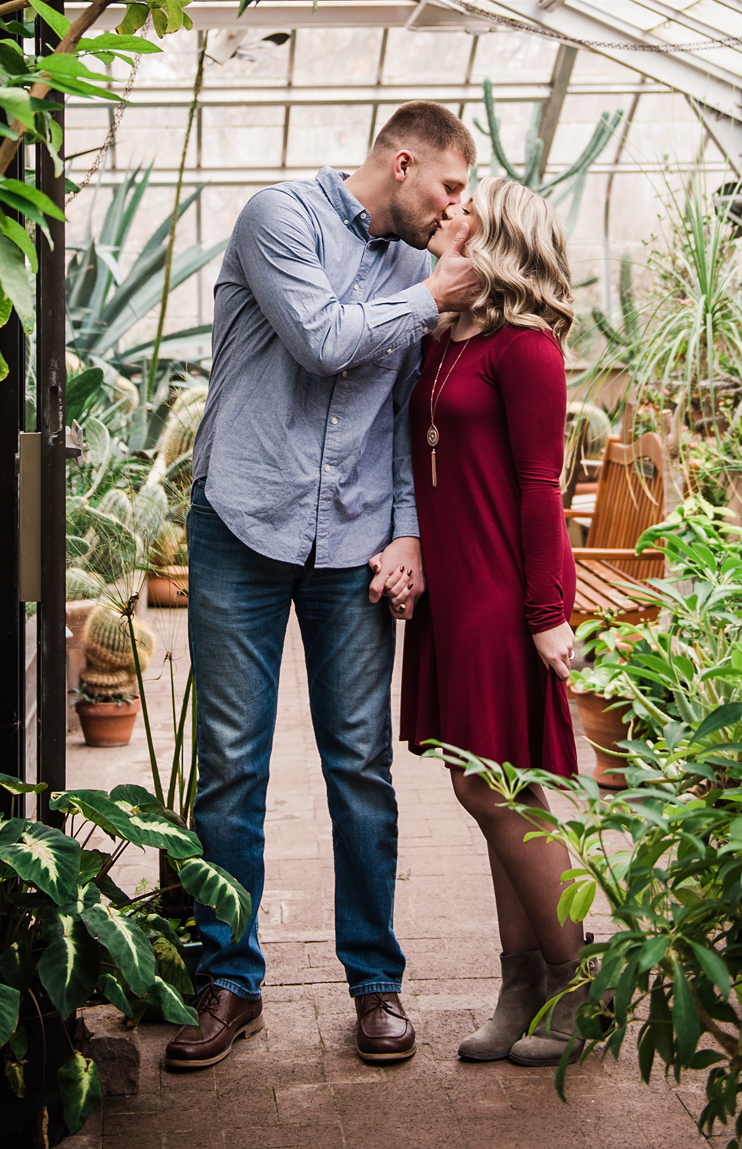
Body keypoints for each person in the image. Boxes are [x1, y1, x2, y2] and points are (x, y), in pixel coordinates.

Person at [167, 102, 482, 1072]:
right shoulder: (279, 217)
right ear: (400, 162)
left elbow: (395, 419)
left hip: (350, 542)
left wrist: (405, 527)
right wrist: (431, 294)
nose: (455, 206)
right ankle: (229, 979)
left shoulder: (410, 272)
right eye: (448, 186)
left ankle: (373, 980)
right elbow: (319, 337)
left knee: (359, 768)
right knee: (229, 763)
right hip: (241, 525)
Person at [395, 175, 585, 1068]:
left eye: (467, 208)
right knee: (500, 796)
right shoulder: (442, 340)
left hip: (501, 598)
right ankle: (522, 986)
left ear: (499, 236)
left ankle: (582, 982)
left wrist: (547, 613)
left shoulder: (526, 349)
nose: (448, 212)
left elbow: (538, 487)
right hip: (451, 595)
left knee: (494, 790)